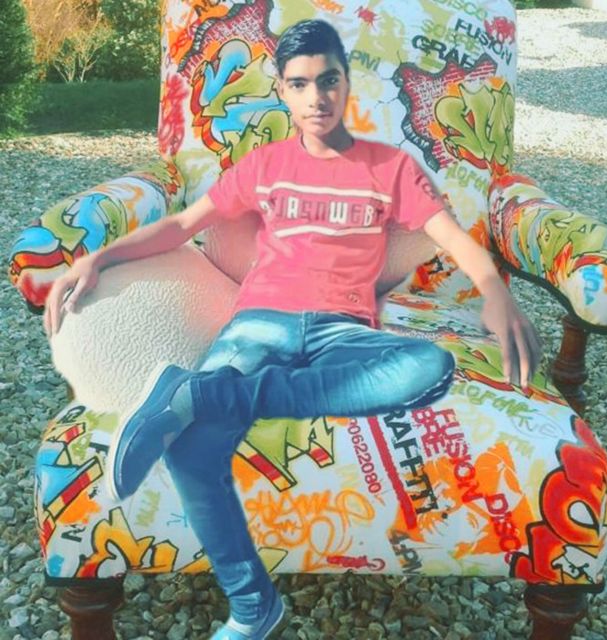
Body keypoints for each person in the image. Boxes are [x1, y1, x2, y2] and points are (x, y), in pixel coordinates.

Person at [44, 19, 541, 640]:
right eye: (300, 84)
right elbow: (182, 226)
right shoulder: (265, 164)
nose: (317, 97)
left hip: (343, 331)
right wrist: (99, 257)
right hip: (259, 323)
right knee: (194, 450)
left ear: (345, 82)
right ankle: (254, 606)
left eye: (328, 80)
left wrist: (495, 291)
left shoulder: (390, 167)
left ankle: (198, 393)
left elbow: (451, 237)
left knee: (429, 367)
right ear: (283, 90)